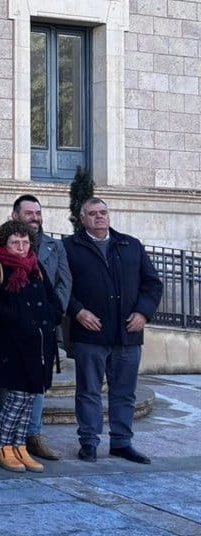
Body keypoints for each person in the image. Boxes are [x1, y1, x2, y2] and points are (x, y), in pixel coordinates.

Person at [63, 197, 163, 464]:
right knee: (88, 390)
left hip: (128, 334)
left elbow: (152, 284)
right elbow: (61, 287)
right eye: (93, 213)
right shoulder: (70, 247)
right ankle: (89, 442)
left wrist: (143, 312)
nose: (99, 217)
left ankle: (121, 442)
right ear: (82, 218)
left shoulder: (130, 245)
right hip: (90, 334)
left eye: (103, 212)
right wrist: (78, 311)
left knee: (124, 392)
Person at [0, 220, 62, 473]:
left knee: (30, 398)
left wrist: (50, 318)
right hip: (12, 342)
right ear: (4, 243)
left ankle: (19, 445)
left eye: (25, 242)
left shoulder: (35, 267)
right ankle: (2, 445)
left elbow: (51, 299)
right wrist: (19, 320)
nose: (20, 246)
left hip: (37, 343)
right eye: (15, 242)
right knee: (15, 398)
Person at [9, 193, 72, 460]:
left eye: (37, 213)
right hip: (14, 327)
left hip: (44, 327)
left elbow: (64, 282)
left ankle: (34, 435)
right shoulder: (5, 244)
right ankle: (9, 438)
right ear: (15, 216)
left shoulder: (54, 246)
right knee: (10, 383)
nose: (35, 218)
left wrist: (53, 313)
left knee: (39, 383)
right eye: (28, 213)